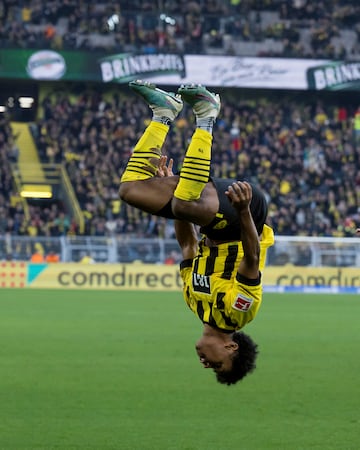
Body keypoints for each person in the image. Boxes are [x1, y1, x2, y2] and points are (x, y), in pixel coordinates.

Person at [119, 81, 275, 385]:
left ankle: (163, 113)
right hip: (244, 217)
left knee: (131, 190)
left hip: (206, 219)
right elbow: (252, 259)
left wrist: (174, 187)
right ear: (231, 347)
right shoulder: (238, 314)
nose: (207, 364)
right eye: (219, 365)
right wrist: (244, 213)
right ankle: (207, 113)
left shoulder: (195, 303)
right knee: (184, 203)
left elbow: (188, 244)